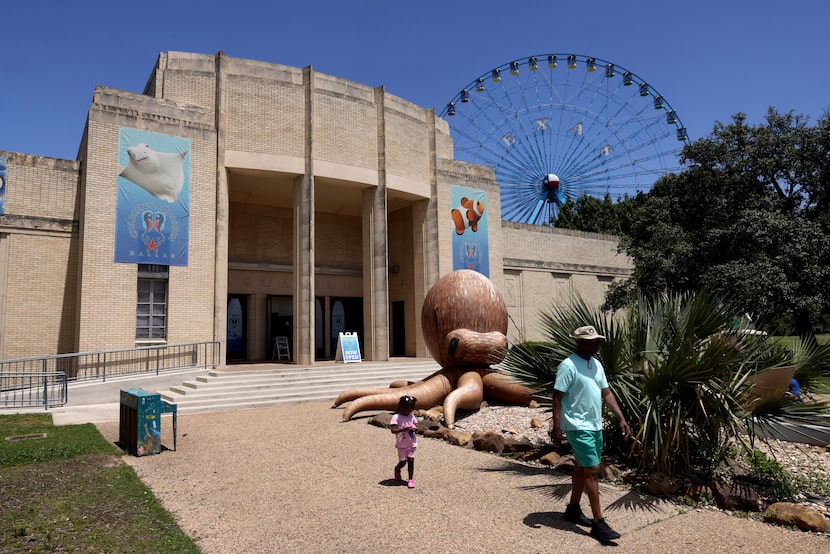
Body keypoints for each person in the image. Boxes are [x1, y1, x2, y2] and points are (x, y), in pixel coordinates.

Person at [551, 325, 632, 542]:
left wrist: (621, 418)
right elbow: (557, 397)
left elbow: (606, 392)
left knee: (581, 467)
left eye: (597, 340)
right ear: (580, 342)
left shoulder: (596, 365)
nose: (597, 344)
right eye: (592, 341)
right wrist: (557, 427)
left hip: (594, 425)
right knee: (592, 471)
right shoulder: (568, 366)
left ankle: (573, 510)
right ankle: (598, 522)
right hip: (578, 426)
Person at [390, 395, 418, 489]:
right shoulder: (396, 417)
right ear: (401, 408)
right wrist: (403, 429)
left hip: (412, 443)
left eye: (411, 409)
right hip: (401, 444)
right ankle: (397, 469)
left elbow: (416, 426)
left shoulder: (412, 416)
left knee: (411, 461)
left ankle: (410, 480)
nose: (408, 411)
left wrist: (414, 429)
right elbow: (393, 430)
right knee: (403, 462)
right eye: (407, 409)